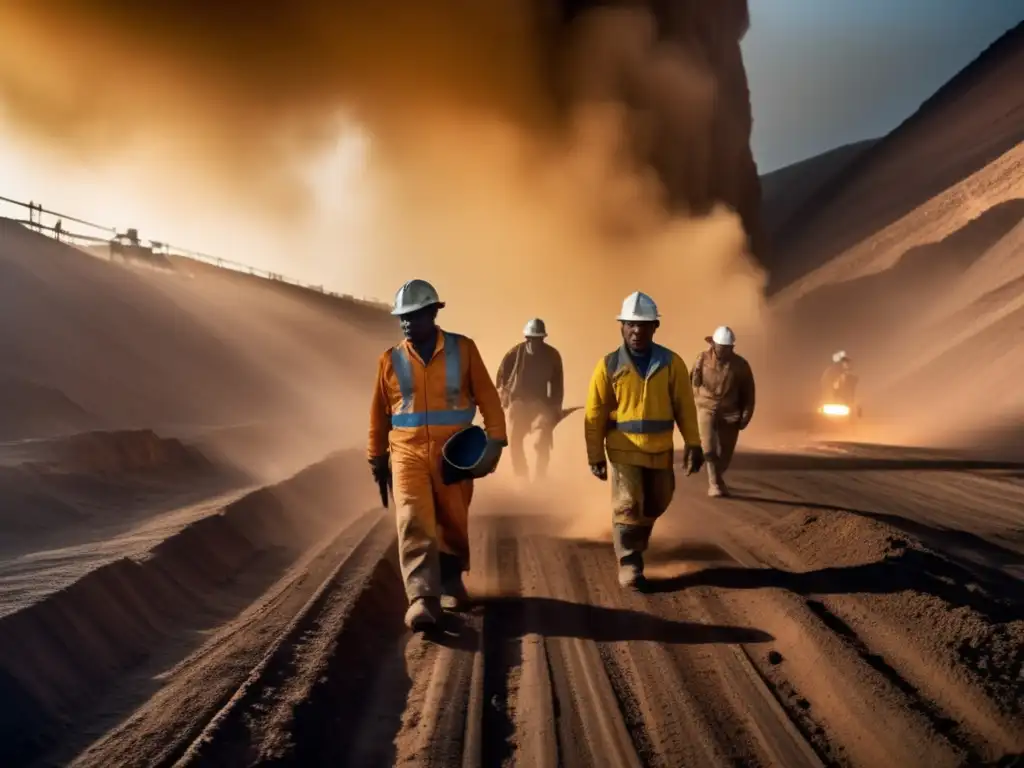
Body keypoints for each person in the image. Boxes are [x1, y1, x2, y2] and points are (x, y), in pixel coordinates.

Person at [368, 279, 507, 631]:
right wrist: (376, 456)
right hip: (406, 452)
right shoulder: (390, 359)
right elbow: (378, 413)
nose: (406, 323)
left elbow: (488, 398)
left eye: (413, 316)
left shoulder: (464, 349)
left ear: (433, 313)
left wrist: (496, 441)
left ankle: (451, 580)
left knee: (453, 518)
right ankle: (422, 598)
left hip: (454, 451)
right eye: (402, 317)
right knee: (413, 518)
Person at [584, 291, 705, 589]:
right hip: (623, 449)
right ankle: (629, 562)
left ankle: (637, 538)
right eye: (631, 325)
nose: (637, 331)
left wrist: (693, 443)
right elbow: (594, 413)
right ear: (621, 326)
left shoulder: (672, 363)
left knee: (657, 500)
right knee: (627, 503)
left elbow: (685, 407)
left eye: (644, 325)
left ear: (655, 327)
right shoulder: (609, 365)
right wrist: (594, 454)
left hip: (661, 449)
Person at [495, 318, 565, 481]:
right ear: (526, 338)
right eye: (531, 339)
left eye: (538, 339)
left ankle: (540, 476)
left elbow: (557, 384)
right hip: (517, 403)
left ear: (543, 338)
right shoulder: (514, 353)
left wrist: (555, 407)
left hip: (540, 405)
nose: (535, 343)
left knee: (542, 440)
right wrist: (502, 397)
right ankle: (521, 475)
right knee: (514, 438)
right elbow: (501, 377)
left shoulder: (552, 356)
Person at [691, 325, 756, 498]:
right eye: (721, 347)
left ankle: (717, 476)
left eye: (728, 348)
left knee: (725, 454)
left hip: (730, 412)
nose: (724, 351)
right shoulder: (701, 359)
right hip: (706, 408)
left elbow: (748, 392)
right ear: (713, 345)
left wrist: (746, 415)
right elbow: (692, 384)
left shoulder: (740, 365)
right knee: (709, 449)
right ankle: (715, 484)